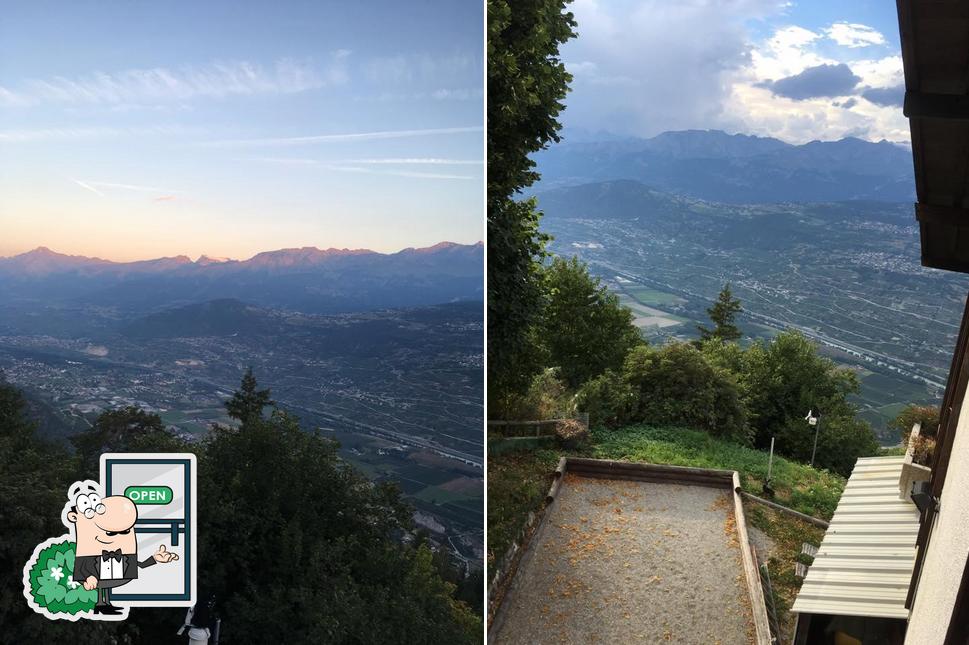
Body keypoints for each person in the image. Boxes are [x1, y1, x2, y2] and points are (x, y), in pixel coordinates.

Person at [67, 481, 179, 616]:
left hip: (111, 576)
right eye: (110, 533)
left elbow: (140, 565)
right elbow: (81, 568)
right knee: (102, 585)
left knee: (106, 586)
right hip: (95, 578)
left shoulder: (124, 555)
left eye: (125, 532)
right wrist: (87, 577)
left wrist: (154, 559)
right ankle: (100, 605)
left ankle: (105, 604)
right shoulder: (87, 555)